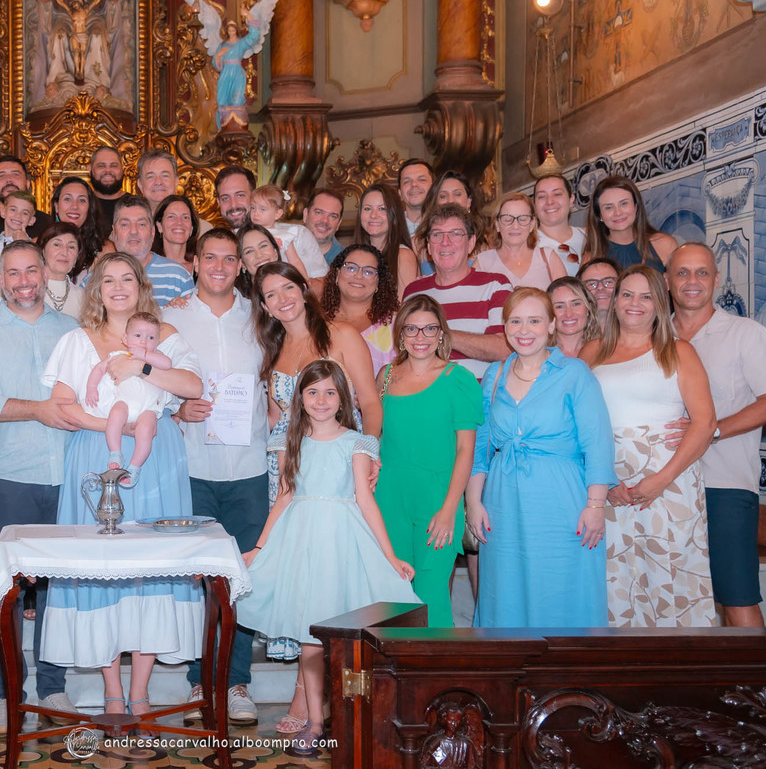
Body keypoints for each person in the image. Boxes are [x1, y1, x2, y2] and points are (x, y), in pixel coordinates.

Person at [42, 251, 204, 721]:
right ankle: (113, 691)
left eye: (127, 278)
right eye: (108, 279)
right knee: (104, 566)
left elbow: (193, 386)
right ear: (96, 289)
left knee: (152, 565)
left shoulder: (164, 334)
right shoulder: (77, 339)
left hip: (157, 457)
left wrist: (144, 369)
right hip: (98, 453)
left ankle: (141, 692)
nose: (117, 287)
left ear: (141, 286)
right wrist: (114, 427)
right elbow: (62, 404)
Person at [238, 359, 418, 753]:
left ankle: (353, 713)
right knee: (311, 636)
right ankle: (315, 721)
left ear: (343, 399)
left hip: (342, 543)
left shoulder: (356, 442)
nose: (321, 400)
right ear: (300, 398)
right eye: (312, 392)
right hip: (301, 543)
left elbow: (365, 499)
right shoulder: (289, 442)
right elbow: (284, 496)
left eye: (330, 392)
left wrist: (390, 557)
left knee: (347, 634)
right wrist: (260, 548)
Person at [0, 241, 80, 736]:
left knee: (59, 589)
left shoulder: (71, 330)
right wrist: (38, 410)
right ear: (0, 279)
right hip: (9, 475)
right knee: (8, 591)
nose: (23, 281)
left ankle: (52, 687)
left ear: (45, 274)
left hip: (69, 474)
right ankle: (9, 694)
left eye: (31, 271)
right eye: (13, 272)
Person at [164, 228, 267, 728]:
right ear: (195, 262)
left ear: (240, 266)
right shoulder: (171, 317)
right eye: (211, 258)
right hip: (193, 466)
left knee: (242, 578)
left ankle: (237, 681)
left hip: (250, 467)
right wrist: (177, 408)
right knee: (199, 577)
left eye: (230, 259)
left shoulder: (260, 315)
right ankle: (199, 681)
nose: (220, 267)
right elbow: (150, 382)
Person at [467, 288, 616, 627]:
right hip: (503, 504)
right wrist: (473, 502)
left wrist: (596, 506)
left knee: (563, 587)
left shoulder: (574, 373)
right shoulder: (494, 376)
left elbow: (598, 444)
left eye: (534, 321)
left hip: (562, 501)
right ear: (505, 327)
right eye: (515, 321)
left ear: (551, 325)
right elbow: (480, 447)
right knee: (505, 590)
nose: (524, 330)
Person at [582, 265, 719, 627]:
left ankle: (681, 661)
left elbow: (705, 424)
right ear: (614, 301)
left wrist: (660, 480)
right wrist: (604, 484)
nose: (635, 303)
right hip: (608, 485)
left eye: (646, 296)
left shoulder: (678, 351)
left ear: (660, 304)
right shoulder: (592, 351)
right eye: (627, 294)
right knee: (617, 582)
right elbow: (574, 424)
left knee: (672, 577)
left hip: (669, 482)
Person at [668, 243, 766, 627]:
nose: (692, 281)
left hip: (724, 484)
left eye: (702, 272)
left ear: (717, 279)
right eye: (682, 272)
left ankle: (757, 670)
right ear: (667, 280)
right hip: (665, 486)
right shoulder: (653, 336)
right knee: (672, 598)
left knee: (737, 598)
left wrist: (711, 430)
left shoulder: (745, 333)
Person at [376, 295, 480, 627]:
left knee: (431, 596)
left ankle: (437, 664)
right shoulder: (386, 376)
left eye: (429, 328)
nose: (420, 337)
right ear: (400, 334)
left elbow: (465, 450)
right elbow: (374, 439)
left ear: (441, 333)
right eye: (412, 329)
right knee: (394, 598)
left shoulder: (458, 379)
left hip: (438, 501)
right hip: (389, 499)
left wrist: (450, 509)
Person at [253, 261, 381, 504]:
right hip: (289, 462)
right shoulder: (272, 351)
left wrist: (369, 450)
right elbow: (274, 417)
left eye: (288, 287)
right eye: (271, 294)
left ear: (303, 290)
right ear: (265, 307)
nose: (283, 299)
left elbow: (370, 402)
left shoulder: (342, 334)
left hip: (339, 454)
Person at [403, 203, 512, 380]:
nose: (445, 242)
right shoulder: (413, 292)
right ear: (429, 247)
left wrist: (441, 334)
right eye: (437, 235)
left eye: (455, 234)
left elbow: (505, 349)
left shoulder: (496, 286)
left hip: (481, 394)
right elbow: (404, 351)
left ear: (471, 243)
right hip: (426, 392)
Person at [85, 311, 175, 484]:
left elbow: (167, 365)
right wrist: (91, 388)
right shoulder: (119, 356)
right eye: (138, 335)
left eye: (150, 338)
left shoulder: (157, 357)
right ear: (125, 339)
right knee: (115, 416)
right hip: (124, 402)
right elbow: (99, 369)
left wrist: (145, 356)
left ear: (157, 342)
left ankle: (135, 466)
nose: (143, 341)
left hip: (149, 407)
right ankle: (115, 451)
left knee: (146, 431)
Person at [322, 245, 400, 375]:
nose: (358, 276)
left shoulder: (396, 325)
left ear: (378, 282)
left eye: (368, 272)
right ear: (337, 274)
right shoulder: (317, 322)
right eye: (351, 268)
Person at [110, 195, 195, 304]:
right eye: (125, 225)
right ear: (114, 233)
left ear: (153, 232)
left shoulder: (178, 277)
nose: (133, 231)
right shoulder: (98, 277)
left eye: (141, 224)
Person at [474, 192, 566, 289]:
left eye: (522, 219)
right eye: (507, 219)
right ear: (497, 224)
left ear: (532, 224)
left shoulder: (549, 259)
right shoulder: (483, 263)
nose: (515, 226)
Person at [585, 175, 677, 271]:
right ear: (599, 215)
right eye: (608, 207)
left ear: (636, 206)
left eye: (624, 203)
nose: (618, 212)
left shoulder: (664, 244)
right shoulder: (590, 258)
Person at [249, 184, 330, 279]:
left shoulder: (284, 236)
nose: (256, 213)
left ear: (278, 213)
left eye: (262, 209)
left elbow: (295, 261)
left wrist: (305, 281)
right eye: (253, 208)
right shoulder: (248, 234)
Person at [353, 182, 418, 297]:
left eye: (382, 209)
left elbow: (405, 305)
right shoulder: (355, 255)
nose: (373, 215)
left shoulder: (403, 256)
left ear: (394, 214)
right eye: (367, 209)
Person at [534, 174, 585, 275]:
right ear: (534, 205)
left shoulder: (589, 237)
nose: (549, 201)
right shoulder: (527, 245)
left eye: (557, 194)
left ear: (571, 199)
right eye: (542, 196)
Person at [51, 176, 104, 269]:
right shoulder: (39, 245)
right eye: (68, 199)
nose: (75, 206)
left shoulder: (104, 250)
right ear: (56, 206)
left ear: (89, 208)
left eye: (82, 200)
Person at [0, 155, 52, 238]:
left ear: (28, 184)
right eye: (1, 176)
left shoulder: (47, 224)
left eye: (15, 175)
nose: (9, 180)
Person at [39, 222, 86, 318]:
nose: (65, 252)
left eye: (71, 247)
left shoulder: (83, 297)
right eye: (57, 245)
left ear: (77, 255)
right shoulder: (29, 290)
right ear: (43, 251)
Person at [548, 276, 601, 358]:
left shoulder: (604, 351)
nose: (568, 314)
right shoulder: (538, 353)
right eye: (559, 306)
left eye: (576, 304)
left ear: (588, 308)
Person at [151, 194, 200, 268]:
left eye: (185, 217)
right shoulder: (146, 266)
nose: (179, 222)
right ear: (159, 226)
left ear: (192, 228)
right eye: (171, 217)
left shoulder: (201, 267)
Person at [303, 188, 345, 265]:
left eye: (333, 216)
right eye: (318, 212)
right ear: (305, 215)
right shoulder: (283, 250)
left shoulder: (345, 261)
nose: (325, 220)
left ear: (339, 223)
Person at [90, 145, 126, 235]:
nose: (108, 171)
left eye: (114, 166)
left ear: (122, 169)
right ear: (90, 169)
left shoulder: (137, 204)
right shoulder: (81, 205)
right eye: (101, 166)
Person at [398, 159, 434, 236]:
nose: (414, 184)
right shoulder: (389, 228)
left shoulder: (448, 225)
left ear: (434, 188)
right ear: (400, 193)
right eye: (407, 181)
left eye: (422, 180)